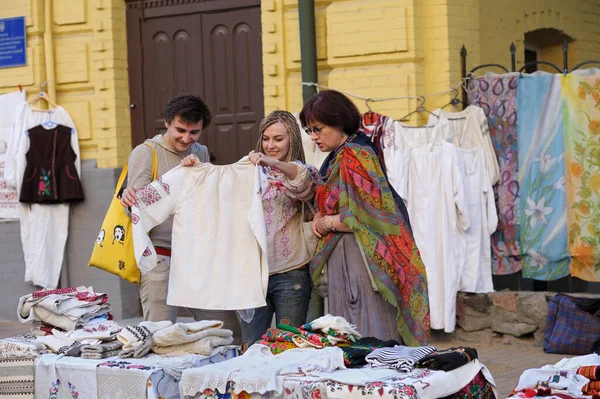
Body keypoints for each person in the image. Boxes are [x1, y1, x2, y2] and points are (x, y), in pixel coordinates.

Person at [300, 90, 430, 346]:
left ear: (338, 122)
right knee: (353, 326)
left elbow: (364, 214)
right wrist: (321, 214)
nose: (314, 137)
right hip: (348, 254)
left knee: (365, 324)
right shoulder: (342, 153)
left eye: (318, 129)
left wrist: (325, 223)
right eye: (309, 131)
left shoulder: (356, 156)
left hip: (361, 257)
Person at [182, 110, 319, 344]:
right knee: (251, 347)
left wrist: (271, 162)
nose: (270, 145)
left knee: (290, 348)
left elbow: (301, 182)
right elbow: (217, 193)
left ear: (292, 139)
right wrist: (194, 169)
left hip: (290, 272)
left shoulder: (301, 171)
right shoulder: (250, 173)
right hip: (251, 276)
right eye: (266, 139)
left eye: (278, 139)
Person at [120, 94, 242, 341]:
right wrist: (130, 196)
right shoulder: (146, 153)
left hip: (197, 259)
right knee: (159, 336)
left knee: (226, 332)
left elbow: (208, 201)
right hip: (159, 258)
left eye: (194, 132)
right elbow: (135, 208)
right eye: (180, 130)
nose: (186, 139)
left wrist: (197, 173)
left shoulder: (201, 152)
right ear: (166, 123)